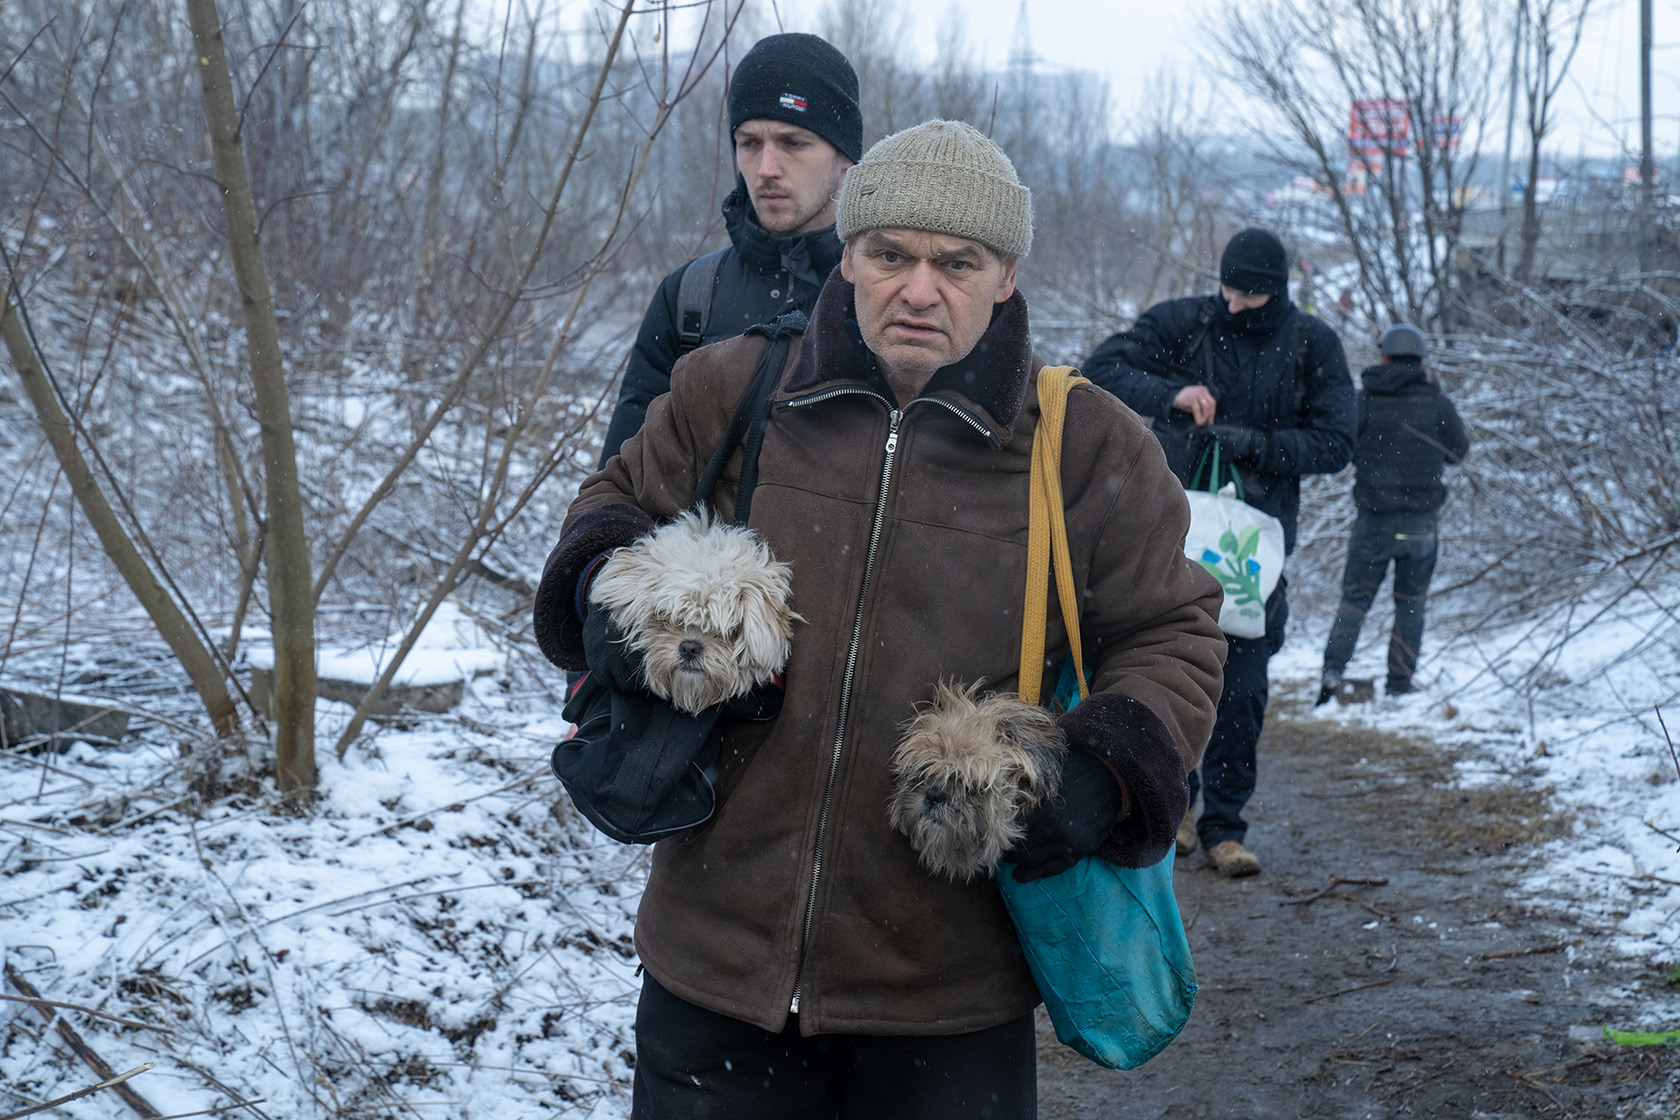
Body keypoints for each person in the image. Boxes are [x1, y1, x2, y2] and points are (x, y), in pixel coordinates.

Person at [534, 119, 1226, 1119]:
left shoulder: (1085, 445)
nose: (919, 289)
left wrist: (1105, 771)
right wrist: (609, 598)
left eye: (958, 262)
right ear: (849, 254)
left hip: (946, 992)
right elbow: (614, 503)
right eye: (891, 254)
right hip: (714, 962)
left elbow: (1174, 629)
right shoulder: (736, 386)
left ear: (1006, 276)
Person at [1083, 227, 1357, 879]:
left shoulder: (1312, 344)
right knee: (1167, 669)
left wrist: (1258, 445)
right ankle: (1174, 806)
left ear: (1277, 291)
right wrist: (1171, 397)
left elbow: (1338, 442)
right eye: (1226, 289)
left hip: (1255, 549)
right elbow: (1101, 371)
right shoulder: (1187, 323)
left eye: (1248, 296)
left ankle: (1226, 827)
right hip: (1171, 536)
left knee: (1243, 687)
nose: (1232, 305)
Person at [596, 32, 862, 465]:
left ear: (845, 155)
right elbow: (623, 481)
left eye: (793, 142)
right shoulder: (689, 297)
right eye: (749, 143)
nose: (766, 169)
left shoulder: (885, 298)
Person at [1317, 323, 1469, 704]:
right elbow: (1458, 452)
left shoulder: (1365, 400)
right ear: (1422, 362)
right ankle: (1399, 684)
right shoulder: (1436, 403)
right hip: (1420, 527)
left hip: (1374, 522)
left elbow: (1343, 448)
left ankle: (1332, 674)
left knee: (1354, 601)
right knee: (1411, 604)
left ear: (1383, 358)